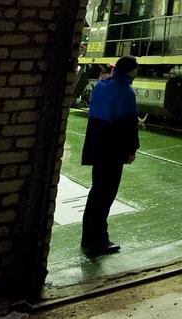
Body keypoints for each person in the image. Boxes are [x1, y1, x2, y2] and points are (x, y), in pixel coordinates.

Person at [79, 55, 140, 256]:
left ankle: (88, 238)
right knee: (106, 195)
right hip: (113, 150)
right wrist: (131, 150)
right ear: (131, 72)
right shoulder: (126, 91)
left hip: (97, 146)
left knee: (96, 192)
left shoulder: (100, 86)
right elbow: (130, 124)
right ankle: (98, 242)